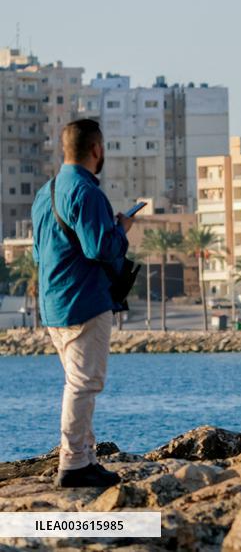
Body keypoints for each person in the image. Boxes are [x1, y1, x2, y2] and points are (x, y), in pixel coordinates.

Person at [32, 119, 134, 488]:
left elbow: (37, 254)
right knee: (84, 383)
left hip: (54, 303)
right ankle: (74, 464)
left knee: (77, 381)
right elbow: (100, 248)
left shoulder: (46, 192)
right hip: (84, 301)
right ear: (97, 150)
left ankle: (85, 456)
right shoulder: (87, 193)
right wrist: (122, 230)